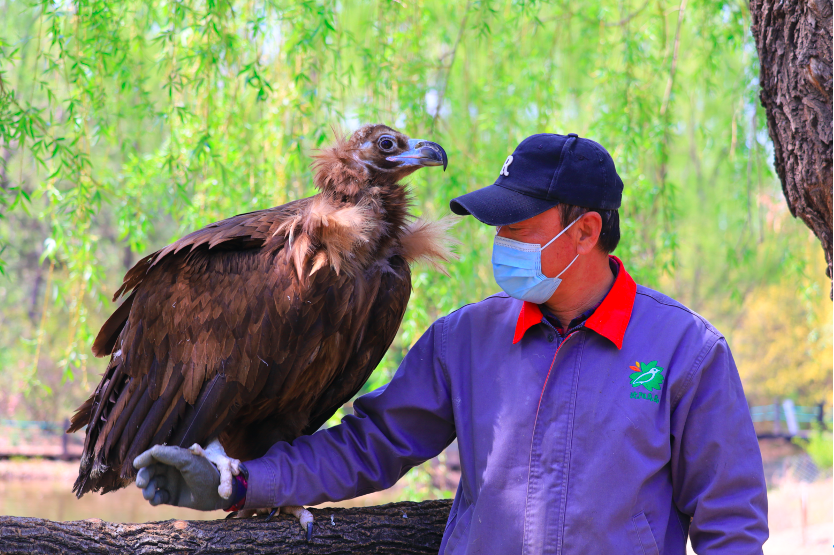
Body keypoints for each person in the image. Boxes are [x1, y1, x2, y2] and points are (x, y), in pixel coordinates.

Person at [134, 133, 768, 553]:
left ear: (586, 232)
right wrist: (239, 481)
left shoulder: (688, 354)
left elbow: (730, 525)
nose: (500, 242)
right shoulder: (466, 341)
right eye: (496, 227)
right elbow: (369, 448)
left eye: (517, 227)